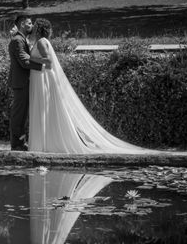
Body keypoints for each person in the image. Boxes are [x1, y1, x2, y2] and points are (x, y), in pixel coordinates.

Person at [28, 18, 157, 154]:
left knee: (44, 110)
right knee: (42, 110)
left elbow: (48, 62)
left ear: (39, 28)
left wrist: (30, 58)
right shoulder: (38, 41)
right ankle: (44, 142)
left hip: (44, 79)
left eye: (35, 25)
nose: (33, 27)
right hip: (39, 77)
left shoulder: (42, 42)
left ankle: (47, 144)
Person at [8, 15, 50, 151]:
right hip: (21, 83)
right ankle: (17, 144)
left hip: (24, 82)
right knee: (19, 114)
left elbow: (26, 58)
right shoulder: (17, 40)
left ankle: (21, 142)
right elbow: (24, 61)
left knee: (23, 114)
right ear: (22, 25)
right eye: (29, 23)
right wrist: (42, 67)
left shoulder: (21, 39)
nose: (32, 26)